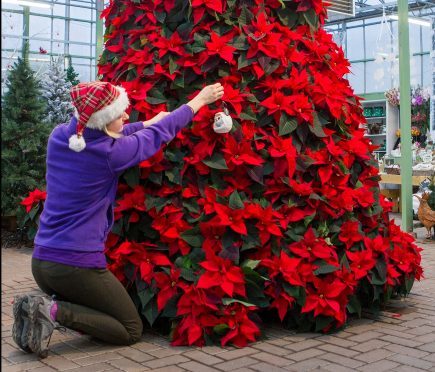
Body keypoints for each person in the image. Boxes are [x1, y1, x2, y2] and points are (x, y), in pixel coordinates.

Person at [12, 80, 225, 358]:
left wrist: (146, 122)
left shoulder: (60, 137)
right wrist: (199, 101)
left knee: (105, 313)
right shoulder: (109, 155)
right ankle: (52, 310)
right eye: (120, 113)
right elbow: (158, 136)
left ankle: (43, 308)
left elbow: (118, 134)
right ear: (102, 121)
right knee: (129, 329)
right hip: (75, 265)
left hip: (42, 262)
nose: (127, 116)